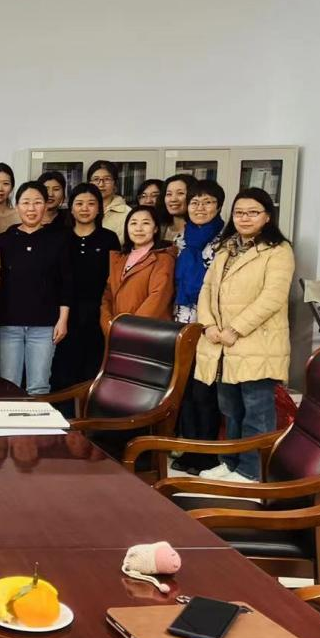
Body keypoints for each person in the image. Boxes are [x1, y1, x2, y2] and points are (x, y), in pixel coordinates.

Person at [195, 188, 295, 483]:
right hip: (221, 343)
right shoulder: (226, 248)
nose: (245, 218)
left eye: (253, 213)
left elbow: (272, 297)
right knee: (230, 409)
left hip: (256, 342)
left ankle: (252, 471)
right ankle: (230, 463)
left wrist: (235, 328)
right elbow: (207, 289)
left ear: (267, 217)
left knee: (257, 410)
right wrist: (208, 324)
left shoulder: (278, 250)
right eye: (239, 213)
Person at [170, 179, 227, 473]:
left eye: (207, 202)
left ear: (219, 206)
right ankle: (189, 451)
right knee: (186, 390)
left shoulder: (226, 240)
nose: (200, 208)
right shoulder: (182, 239)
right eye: (195, 202)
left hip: (211, 324)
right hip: (182, 322)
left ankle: (207, 454)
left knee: (206, 391)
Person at [0, 181, 70, 395]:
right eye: (26, 202)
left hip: (45, 325)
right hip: (8, 324)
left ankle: (37, 419)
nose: (31, 208)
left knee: (39, 385)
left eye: (37, 202)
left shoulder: (58, 239)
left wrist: (63, 319)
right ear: (17, 206)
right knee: (9, 385)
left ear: (45, 205)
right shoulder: (4, 240)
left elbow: (66, 282)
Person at [50, 184, 120, 390]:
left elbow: (114, 280)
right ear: (71, 208)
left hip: (97, 313)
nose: (85, 208)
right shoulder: (60, 237)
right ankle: (64, 409)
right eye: (79, 203)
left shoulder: (109, 238)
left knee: (93, 370)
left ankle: (89, 410)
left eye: (91, 204)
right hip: (64, 313)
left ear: (99, 208)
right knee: (63, 370)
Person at [99, 206, 175, 330]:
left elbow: (158, 298)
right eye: (133, 223)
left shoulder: (163, 258)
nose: (138, 228)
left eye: (146, 223)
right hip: (117, 331)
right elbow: (108, 296)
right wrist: (108, 325)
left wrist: (130, 328)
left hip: (146, 331)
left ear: (156, 229)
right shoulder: (120, 258)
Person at [89, 160, 130, 239]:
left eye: (107, 179)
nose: (101, 184)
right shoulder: (82, 209)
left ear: (115, 183)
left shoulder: (127, 213)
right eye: (96, 179)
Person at [163, 173, 192, 245]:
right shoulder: (159, 228)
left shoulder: (200, 230)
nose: (173, 199)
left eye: (180, 193)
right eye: (169, 194)